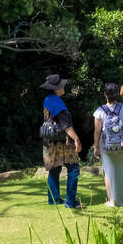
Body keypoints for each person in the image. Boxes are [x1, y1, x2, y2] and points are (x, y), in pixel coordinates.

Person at [40, 74, 83, 208]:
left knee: (54, 169)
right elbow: (65, 125)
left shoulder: (47, 99)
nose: (64, 87)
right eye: (62, 85)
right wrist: (76, 139)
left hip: (49, 141)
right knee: (74, 168)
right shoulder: (58, 102)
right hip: (61, 141)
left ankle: (54, 199)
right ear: (57, 88)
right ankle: (70, 202)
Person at [93, 83, 123, 207]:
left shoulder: (100, 110)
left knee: (108, 172)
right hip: (121, 144)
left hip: (106, 145)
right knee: (122, 171)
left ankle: (112, 200)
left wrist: (96, 147)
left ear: (105, 94)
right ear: (117, 94)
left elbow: (97, 131)